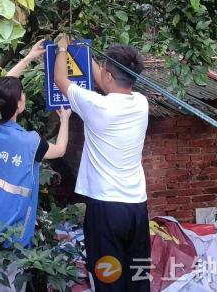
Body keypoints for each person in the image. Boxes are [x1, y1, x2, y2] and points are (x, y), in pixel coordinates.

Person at [0, 39, 72, 291]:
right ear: (20, 105)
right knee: (8, 285)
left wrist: (29, 57)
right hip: (10, 233)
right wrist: (64, 120)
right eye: (22, 95)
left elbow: (0, 91)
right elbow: (61, 149)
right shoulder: (29, 143)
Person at [54, 35, 150, 292]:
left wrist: (63, 49)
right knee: (139, 272)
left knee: (108, 275)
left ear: (109, 75)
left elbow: (60, 80)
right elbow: (103, 79)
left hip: (105, 207)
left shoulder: (97, 105)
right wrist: (83, 50)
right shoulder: (141, 103)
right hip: (136, 207)